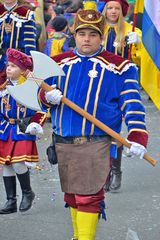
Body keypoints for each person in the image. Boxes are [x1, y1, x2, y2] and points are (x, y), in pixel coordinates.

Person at [38, 9, 148, 240]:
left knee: (89, 196)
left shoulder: (120, 67)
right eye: (82, 33)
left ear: (101, 36)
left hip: (96, 142)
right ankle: (79, 236)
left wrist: (137, 137)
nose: (86, 39)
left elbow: (133, 105)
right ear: (74, 35)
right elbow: (39, 98)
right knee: (72, 195)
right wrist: (45, 97)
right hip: (63, 140)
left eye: (93, 34)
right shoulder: (57, 63)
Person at [101, 0, 143, 192]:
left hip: (121, 84)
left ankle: (115, 171)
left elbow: (139, 60)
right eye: (109, 8)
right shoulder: (96, 28)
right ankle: (105, 171)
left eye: (116, 8)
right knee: (100, 129)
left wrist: (139, 45)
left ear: (123, 11)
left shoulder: (130, 30)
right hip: (99, 84)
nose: (113, 11)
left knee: (115, 128)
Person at [0, 48, 46, 214]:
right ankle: (10, 200)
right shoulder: (3, 88)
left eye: (13, 66)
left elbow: (42, 110)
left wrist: (35, 123)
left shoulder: (31, 88)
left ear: (23, 71)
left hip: (23, 130)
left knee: (18, 163)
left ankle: (27, 192)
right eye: (8, 65)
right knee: (6, 165)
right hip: (5, 130)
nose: (8, 68)